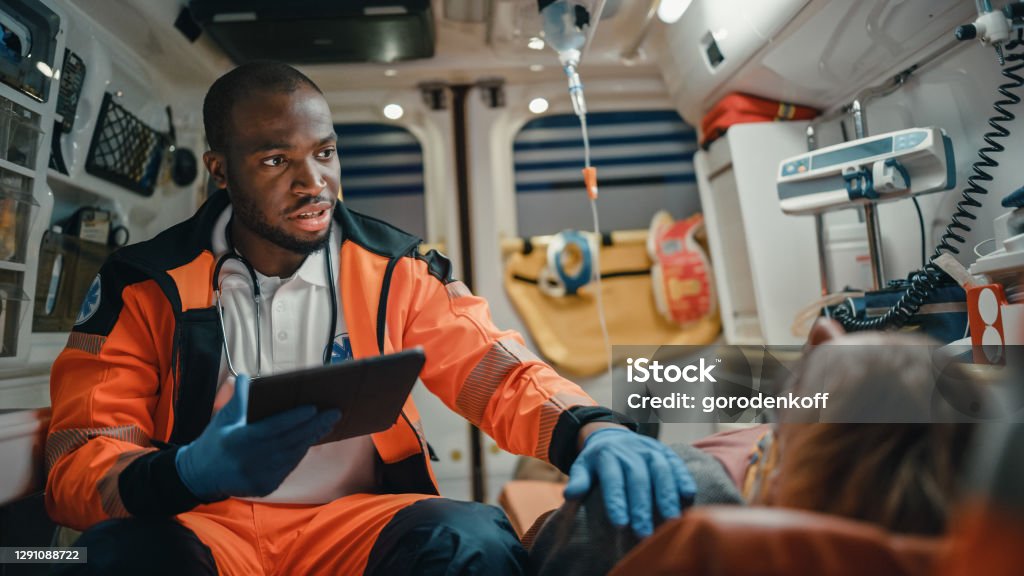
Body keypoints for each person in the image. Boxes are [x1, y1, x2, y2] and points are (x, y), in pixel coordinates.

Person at [43, 61, 695, 575]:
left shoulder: (396, 267)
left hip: (349, 521)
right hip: (201, 522)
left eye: (324, 153)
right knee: (114, 560)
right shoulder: (143, 283)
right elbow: (78, 461)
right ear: (220, 171)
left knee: (473, 542)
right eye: (276, 160)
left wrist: (591, 430)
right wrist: (185, 474)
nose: (313, 182)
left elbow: (496, 372)